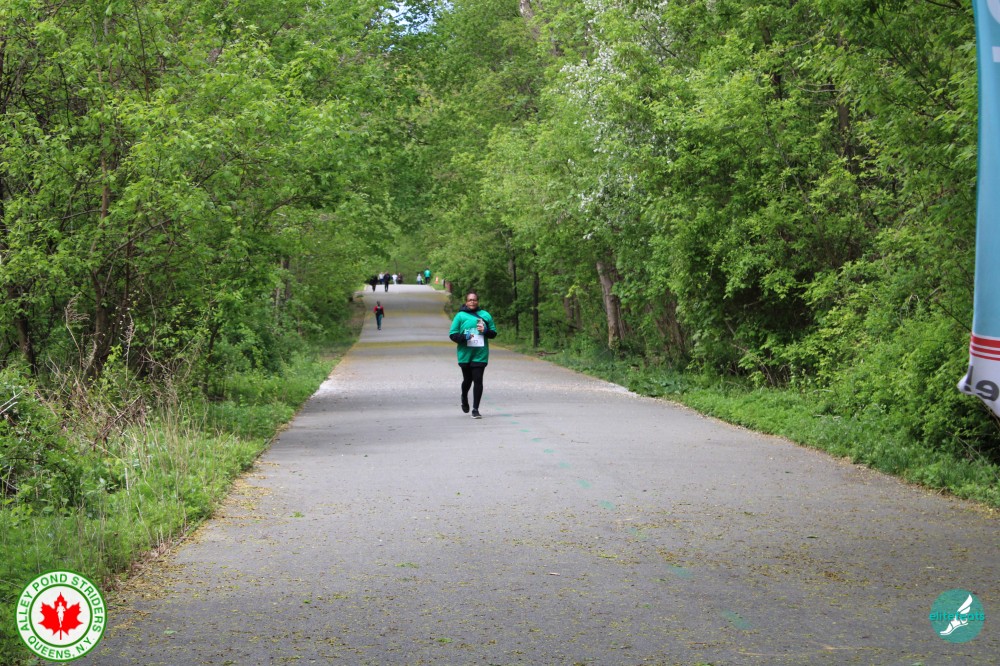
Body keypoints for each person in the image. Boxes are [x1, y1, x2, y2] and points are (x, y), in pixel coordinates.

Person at [448, 292, 497, 419]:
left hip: (480, 354)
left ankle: (475, 409)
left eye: (474, 300)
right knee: (467, 380)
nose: (472, 302)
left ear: (478, 301)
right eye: (470, 300)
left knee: (478, 380)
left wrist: (485, 331)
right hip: (465, 354)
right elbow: (452, 334)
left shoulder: (485, 315)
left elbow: (493, 333)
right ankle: (464, 396)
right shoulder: (460, 316)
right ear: (466, 302)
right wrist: (465, 337)